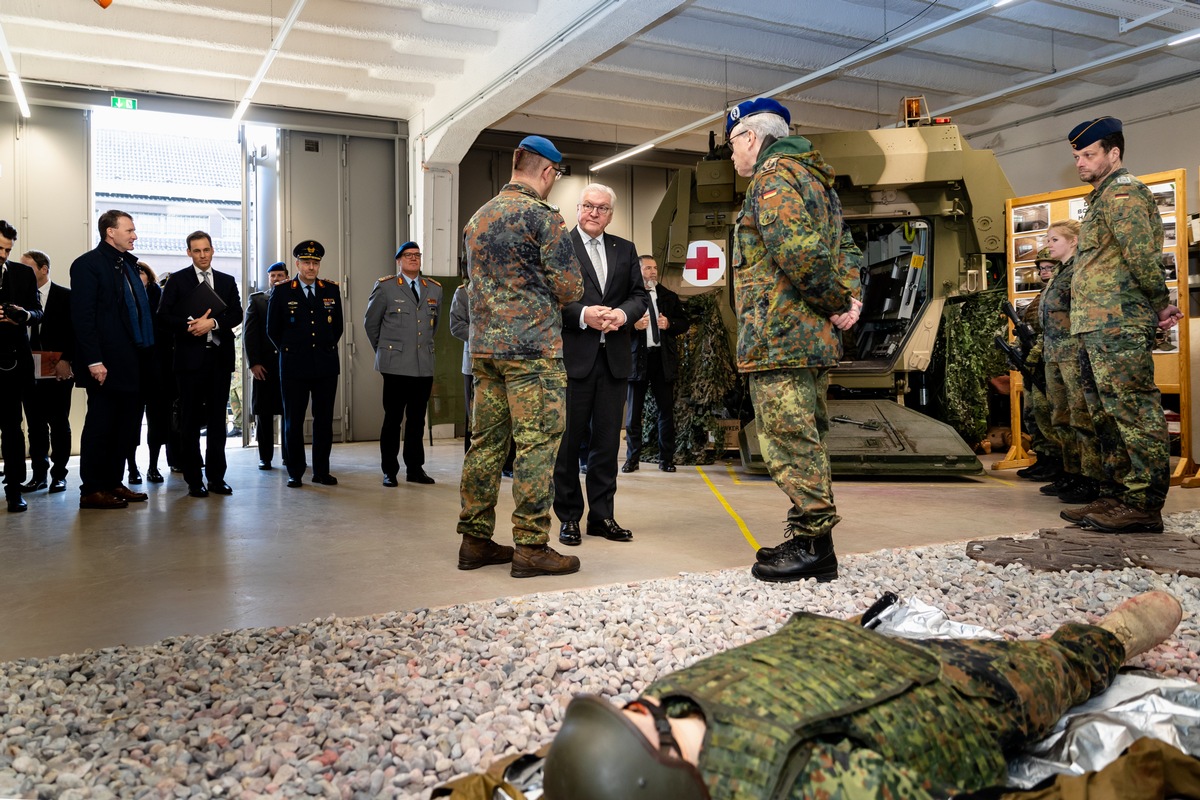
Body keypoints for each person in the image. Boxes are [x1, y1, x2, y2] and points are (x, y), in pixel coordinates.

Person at [537, 590, 1183, 800]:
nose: (650, 707)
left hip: (844, 651)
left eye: (635, 709)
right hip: (955, 691)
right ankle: (1113, 636)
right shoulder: (805, 780)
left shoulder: (666, 708)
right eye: (652, 730)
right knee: (1058, 668)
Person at [725, 98, 862, 583]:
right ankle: (809, 534)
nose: (733, 156)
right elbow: (845, 246)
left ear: (750, 138)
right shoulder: (815, 180)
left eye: (732, 145)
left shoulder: (772, 177)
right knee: (807, 438)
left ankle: (814, 547)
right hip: (808, 339)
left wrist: (835, 302)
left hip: (781, 338)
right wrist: (851, 299)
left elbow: (799, 253)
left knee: (790, 442)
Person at [456, 135, 584, 578]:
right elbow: (570, 289)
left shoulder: (478, 217)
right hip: (532, 354)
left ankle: (474, 541)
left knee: (486, 446)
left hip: (487, 352)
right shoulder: (541, 216)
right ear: (547, 172)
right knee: (535, 447)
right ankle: (530, 546)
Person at [1064, 117, 1182, 533]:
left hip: (1118, 321)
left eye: (1088, 155)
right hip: (1095, 323)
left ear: (1114, 154)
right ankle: (1116, 494)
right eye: (1077, 156)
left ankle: (1144, 503)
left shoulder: (1125, 194)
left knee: (1133, 411)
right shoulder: (1100, 198)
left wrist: (1160, 304)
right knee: (1106, 413)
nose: (1080, 163)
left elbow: (1143, 258)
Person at [553, 183, 647, 547]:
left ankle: (602, 516)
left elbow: (639, 296)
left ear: (611, 213)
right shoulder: (561, 247)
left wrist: (623, 314)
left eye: (602, 208)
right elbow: (551, 297)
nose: (595, 213)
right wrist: (584, 315)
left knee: (607, 445)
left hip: (614, 361)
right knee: (568, 443)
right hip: (574, 359)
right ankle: (569, 517)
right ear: (578, 209)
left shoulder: (625, 249)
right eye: (589, 206)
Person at [70, 210, 154, 510]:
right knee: (101, 426)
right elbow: (83, 318)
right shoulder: (87, 265)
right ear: (110, 232)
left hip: (132, 361)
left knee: (125, 426)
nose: (135, 235)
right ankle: (92, 489)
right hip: (104, 363)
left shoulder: (127, 265)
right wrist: (94, 360)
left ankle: (112, 482)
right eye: (129, 230)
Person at [157, 231, 243, 498]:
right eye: (197, 251)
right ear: (189, 253)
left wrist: (214, 323)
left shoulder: (227, 281)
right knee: (190, 420)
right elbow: (163, 316)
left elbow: (236, 313)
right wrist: (190, 325)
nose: (202, 255)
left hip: (219, 359)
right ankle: (194, 479)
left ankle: (217, 478)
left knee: (218, 420)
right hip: (189, 360)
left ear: (213, 250)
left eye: (206, 250)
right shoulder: (177, 280)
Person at [363, 241, 442, 487]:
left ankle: (415, 468)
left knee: (417, 420)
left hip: (423, 365)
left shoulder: (434, 289)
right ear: (398, 260)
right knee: (393, 419)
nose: (414, 259)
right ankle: (390, 470)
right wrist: (385, 352)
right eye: (408, 256)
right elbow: (371, 324)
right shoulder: (386, 287)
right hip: (395, 365)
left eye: (417, 255)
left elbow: (433, 326)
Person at [1038, 222, 1104, 512]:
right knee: (1060, 415)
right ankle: (1071, 471)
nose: (1049, 244)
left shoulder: (1080, 269)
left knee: (1081, 416)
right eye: (1048, 239)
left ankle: (1091, 478)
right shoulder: (1061, 271)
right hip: (1055, 351)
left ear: (1074, 241)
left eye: (1054, 239)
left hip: (1073, 351)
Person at [266, 239, 343, 489]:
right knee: (293, 420)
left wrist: (323, 346)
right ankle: (295, 471)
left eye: (315, 263)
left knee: (323, 421)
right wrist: (291, 350)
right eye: (306, 262)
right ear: (297, 264)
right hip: (294, 366)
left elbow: (337, 327)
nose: (311, 267)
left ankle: (321, 470)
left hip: (325, 365)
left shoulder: (330, 290)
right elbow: (272, 330)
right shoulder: (282, 290)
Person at [623, 254, 690, 473]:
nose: (653, 272)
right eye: (648, 268)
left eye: (655, 268)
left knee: (665, 413)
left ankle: (666, 460)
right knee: (633, 415)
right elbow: (615, 327)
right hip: (637, 360)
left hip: (662, 361)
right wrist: (633, 326)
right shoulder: (628, 298)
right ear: (638, 270)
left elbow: (684, 324)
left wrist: (669, 323)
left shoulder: (668, 296)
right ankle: (632, 460)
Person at [18, 250, 73, 496]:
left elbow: (77, 331)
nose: (23, 274)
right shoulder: (20, 297)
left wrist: (67, 359)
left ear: (44, 269)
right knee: (35, 425)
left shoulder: (66, 296)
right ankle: (38, 475)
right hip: (27, 369)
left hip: (57, 368)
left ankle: (59, 475)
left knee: (59, 423)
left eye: (28, 269)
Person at [0, 221, 42, 513]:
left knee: (13, 428)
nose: (3, 254)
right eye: (0, 248)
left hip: (13, 364)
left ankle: (14, 489)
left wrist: (23, 315)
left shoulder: (23, 273)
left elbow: (38, 312)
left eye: (8, 249)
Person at [244, 261, 289, 471]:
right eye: (273, 276)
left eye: (280, 275)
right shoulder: (258, 300)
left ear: (287, 277)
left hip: (289, 365)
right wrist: (253, 363)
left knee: (291, 413)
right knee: (264, 414)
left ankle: (290, 456)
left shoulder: (294, 298)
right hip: (264, 366)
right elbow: (249, 335)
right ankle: (265, 457)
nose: (276, 279)